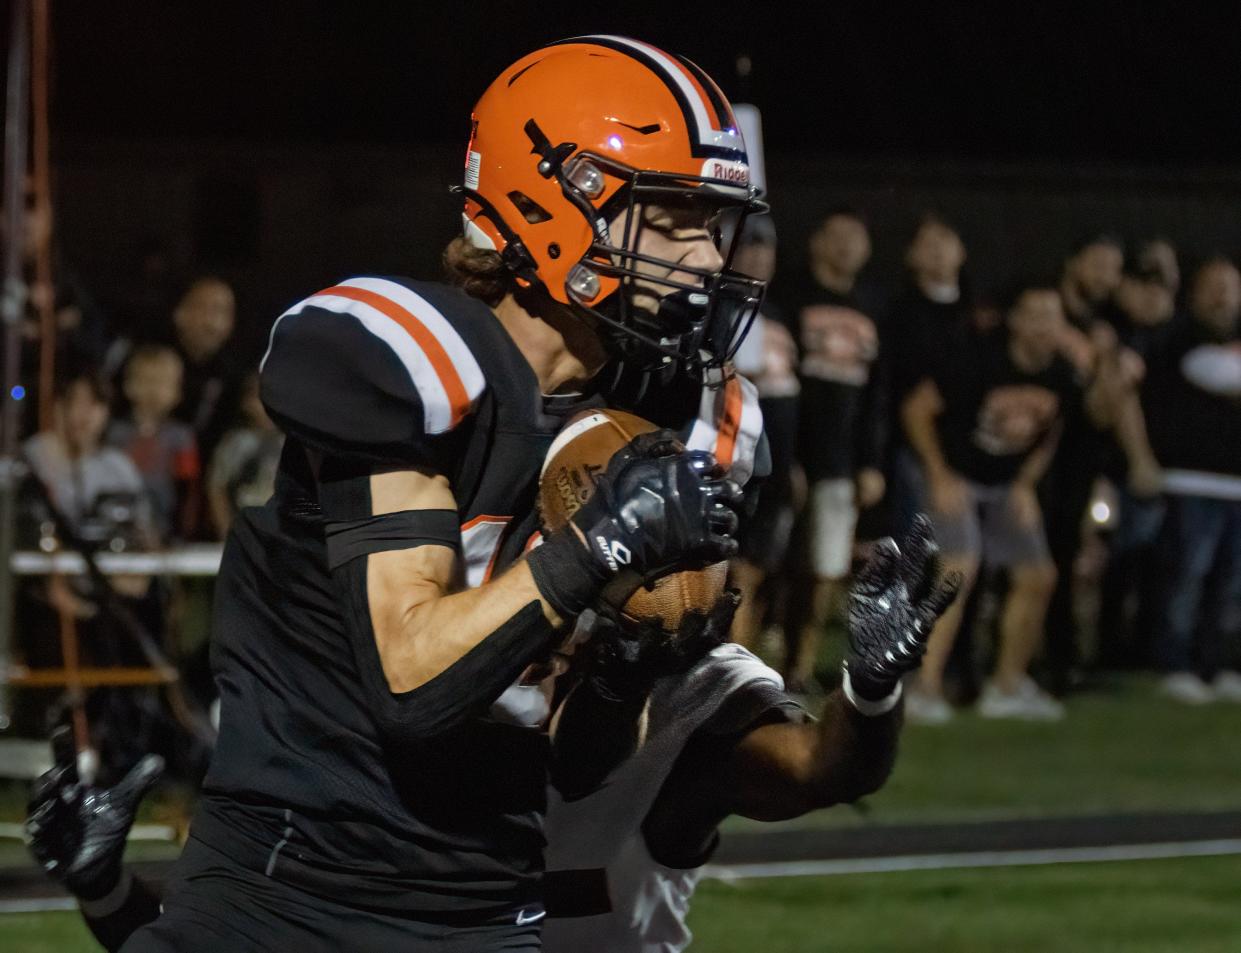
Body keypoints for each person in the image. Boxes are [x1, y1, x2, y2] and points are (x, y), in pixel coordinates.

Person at [26, 36, 957, 953]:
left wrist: (627, 660)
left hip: (484, 907)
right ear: (550, 203)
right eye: (670, 218)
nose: (708, 258)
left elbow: (583, 762)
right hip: (285, 895)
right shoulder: (405, 356)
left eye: (714, 225)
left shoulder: (684, 420)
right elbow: (411, 681)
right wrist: (595, 548)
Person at [902, 283, 1079, 722]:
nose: (1044, 325)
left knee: (1039, 575)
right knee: (958, 569)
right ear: (1015, 321)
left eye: (1052, 315)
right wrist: (939, 475)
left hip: (1003, 483)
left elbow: (1050, 434)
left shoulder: (1061, 372)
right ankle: (922, 688)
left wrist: (1025, 483)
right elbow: (916, 409)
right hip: (953, 470)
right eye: (1034, 314)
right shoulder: (977, 359)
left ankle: (1007, 686)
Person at [787, 208, 888, 691]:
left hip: (841, 461)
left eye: (857, 237)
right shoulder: (791, 298)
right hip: (790, 453)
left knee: (825, 569)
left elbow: (876, 397)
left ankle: (802, 669)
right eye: (838, 235)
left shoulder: (871, 306)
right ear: (817, 242)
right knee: (772, 566)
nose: (848, 246)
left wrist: (870, 461)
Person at [1144, 257, 1241, 704]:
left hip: (1234, 485)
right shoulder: (1180, 338)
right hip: (1190, 481)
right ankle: (1175, 663)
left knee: (1228, 586)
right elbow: (1218, 373)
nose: (1222, 296)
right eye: (1213, 287)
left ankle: (1214, 664)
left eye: (1230, 287)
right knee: (1187, 578)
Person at [106, 345, 201, 542]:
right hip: (118, 527)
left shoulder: (181, 437)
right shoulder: (114, 434)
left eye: (163, 383)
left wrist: (181, 534)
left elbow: (188, 490)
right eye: (146, 381)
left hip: (165, 531)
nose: (154, 390)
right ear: (128, 385)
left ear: (177, 391)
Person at [205, 371, 283, 537]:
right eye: (260, 397)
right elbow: (217, 488)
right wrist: (226, 531)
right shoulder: (235, 443)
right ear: (246, 402)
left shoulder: (297, 444)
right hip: (244, 527)